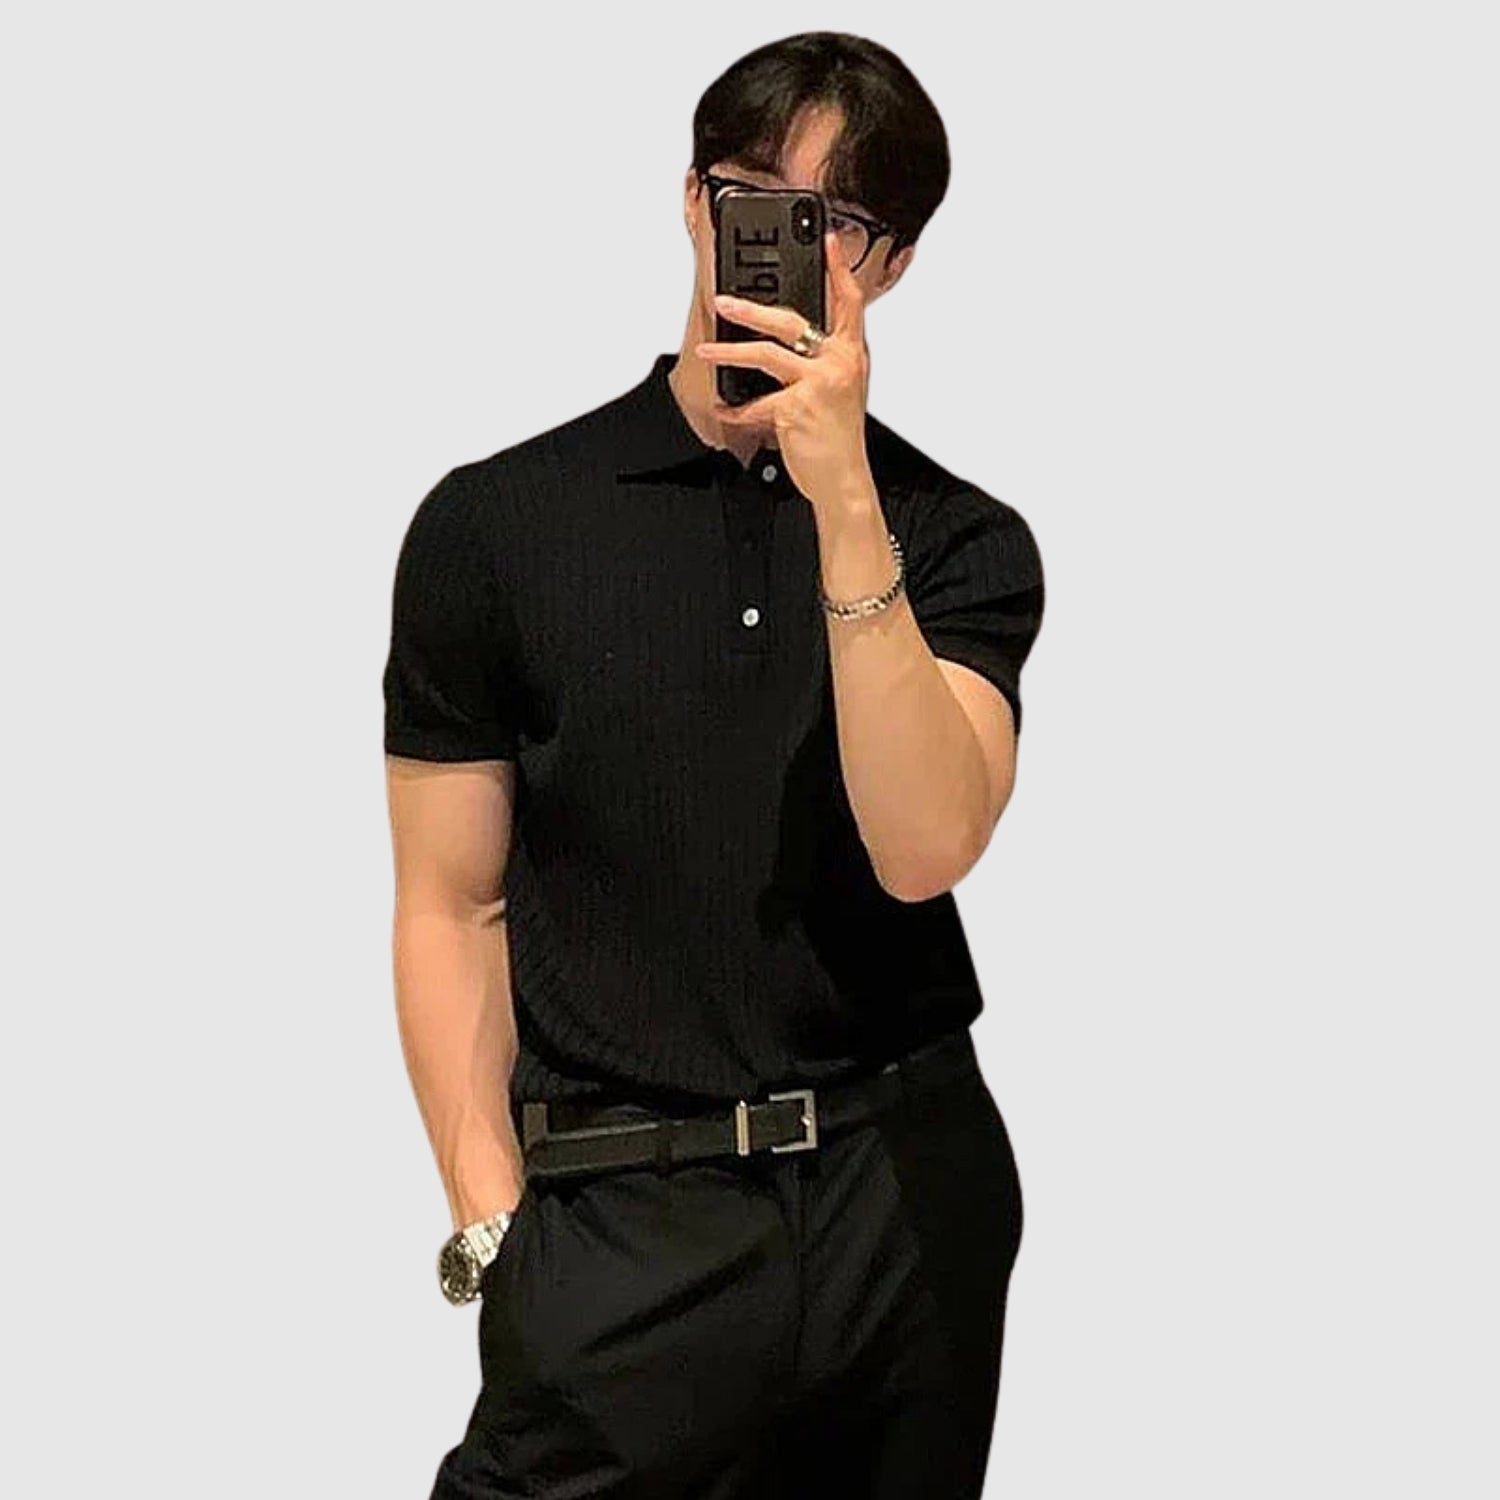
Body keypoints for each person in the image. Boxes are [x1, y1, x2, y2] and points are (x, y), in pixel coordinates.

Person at [383, 29, 1045, 1500]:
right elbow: (447, 902)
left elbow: (924, 845)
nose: (785, 243)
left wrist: (842, 494)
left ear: (891, 265)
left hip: (899, 1202)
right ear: (693, 202)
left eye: (839, 220)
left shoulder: (958, 540)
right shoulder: (496, 527)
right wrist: (496, 1227)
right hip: (620, 1217)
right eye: (755, 194)